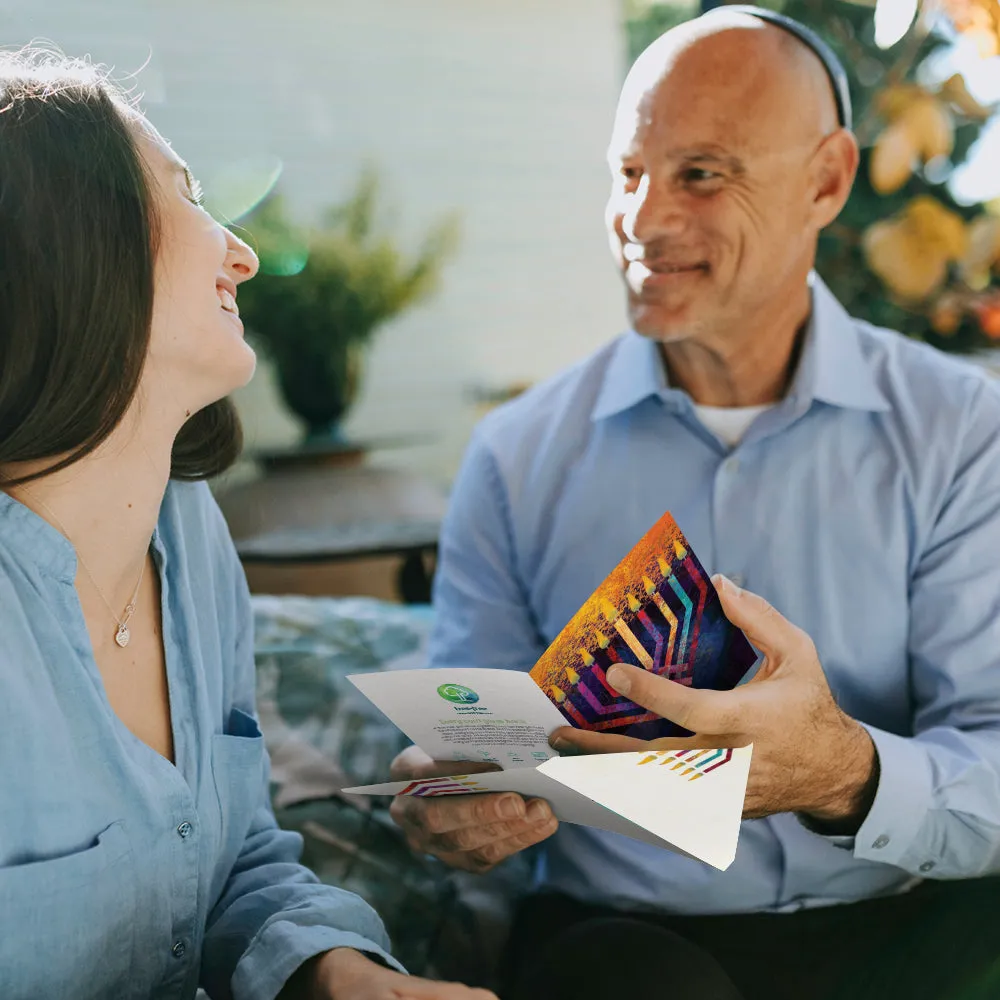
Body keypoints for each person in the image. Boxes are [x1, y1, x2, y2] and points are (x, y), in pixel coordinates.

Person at [388, 8, 1000, 1000]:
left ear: (828, 180)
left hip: (914, 925)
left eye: (700, 174)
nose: (643, 218)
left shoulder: (965, 433)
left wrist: (843, 772)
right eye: (628, 173)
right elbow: (462, 746)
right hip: (625, 947)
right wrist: (442, 802)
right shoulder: (515, 454)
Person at [0, 49, 497, 1000]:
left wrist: (334, 972)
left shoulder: (189, 536)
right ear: (77, 244)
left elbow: (231, 864)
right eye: (189, 200)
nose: (245, 252)